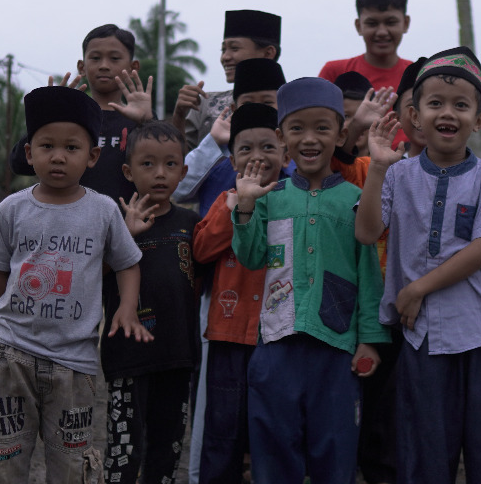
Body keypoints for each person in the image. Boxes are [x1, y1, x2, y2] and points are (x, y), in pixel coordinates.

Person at [354, 46, 481, 484]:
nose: (447, 113)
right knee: (424, 449)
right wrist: (376, 168)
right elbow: (367, 232)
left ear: (479, 119)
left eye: (461, 105)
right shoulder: (397, 174)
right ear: (414, 115)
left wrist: (415, 289)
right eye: (435, 103)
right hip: (423, 337)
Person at [0, 86, 152, 484]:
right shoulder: (12, 208)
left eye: (71, 147)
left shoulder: (103, 209)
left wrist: (126, 307)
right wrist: (14, 311)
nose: (58, 156)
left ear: (92, 156)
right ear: (29, 151)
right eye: (47, 145)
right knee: (6, 458)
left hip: (74, 362)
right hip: (10, 357)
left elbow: (127, 263)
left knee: (71, 465)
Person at [231, 77, 390, 483]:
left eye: (322, 128)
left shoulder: (354, 199)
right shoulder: (271, 196)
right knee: (273, 447)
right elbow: (250, 258)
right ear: (282, 138)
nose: (310, 138)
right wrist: (246, 207)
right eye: (297, 129)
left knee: (335, 450)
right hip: (276, 345)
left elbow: (370, 274)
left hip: (336, 349)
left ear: (340, 134)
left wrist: (369, 338)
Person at [100, 120, 203, 484]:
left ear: (184, 171)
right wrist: (124, 238)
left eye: (170, 164)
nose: (160, 173)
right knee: (124, 451)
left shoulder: (192, 223)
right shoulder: (113, 221)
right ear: (128, 171)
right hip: (127, 358)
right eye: (148, 164)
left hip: (178, 356)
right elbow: (92, 276)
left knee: (167, 449)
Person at [191, 103, 288, 484]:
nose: (257, 156)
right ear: (232, 160)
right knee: (222, 431)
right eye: (245, 149)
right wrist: (234, 208)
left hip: (279, 334)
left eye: (268, 147)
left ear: (286, 153)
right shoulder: (224, 200)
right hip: (229, 335)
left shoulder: (293, 199)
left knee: (273, 430)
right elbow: (201, 250)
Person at [8, 23, 155, 203]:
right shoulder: (69, 120)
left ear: (133, 67)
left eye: (115, 58)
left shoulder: (142, 120)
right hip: (69, 224)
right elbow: (19, 163)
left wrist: (148, 122)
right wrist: (49, 115)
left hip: (126, 226)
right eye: (95, 58)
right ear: (82, 66)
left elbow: (163, 170)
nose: (104, 66)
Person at [174, 57, 289, 216]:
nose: (257, 110)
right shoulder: (218, 156)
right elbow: (177, 190)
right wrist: (213, 142)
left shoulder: (293, 154)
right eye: (248, 103)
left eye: (267, 102)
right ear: (234, 108)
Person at [173, 9, 281, 153]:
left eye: (234, 48)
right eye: (223, 50)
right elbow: (179, 165)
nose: (225, 57)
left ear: (268, 53)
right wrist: (179, 116)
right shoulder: (204, 104)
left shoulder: (293, 104)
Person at [318, 0, 413, 91]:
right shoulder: (334, 73)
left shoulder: (418, 75)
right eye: (372, 23)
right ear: (358, 26)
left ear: (405, 23)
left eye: (390, 22)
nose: (382, 32)